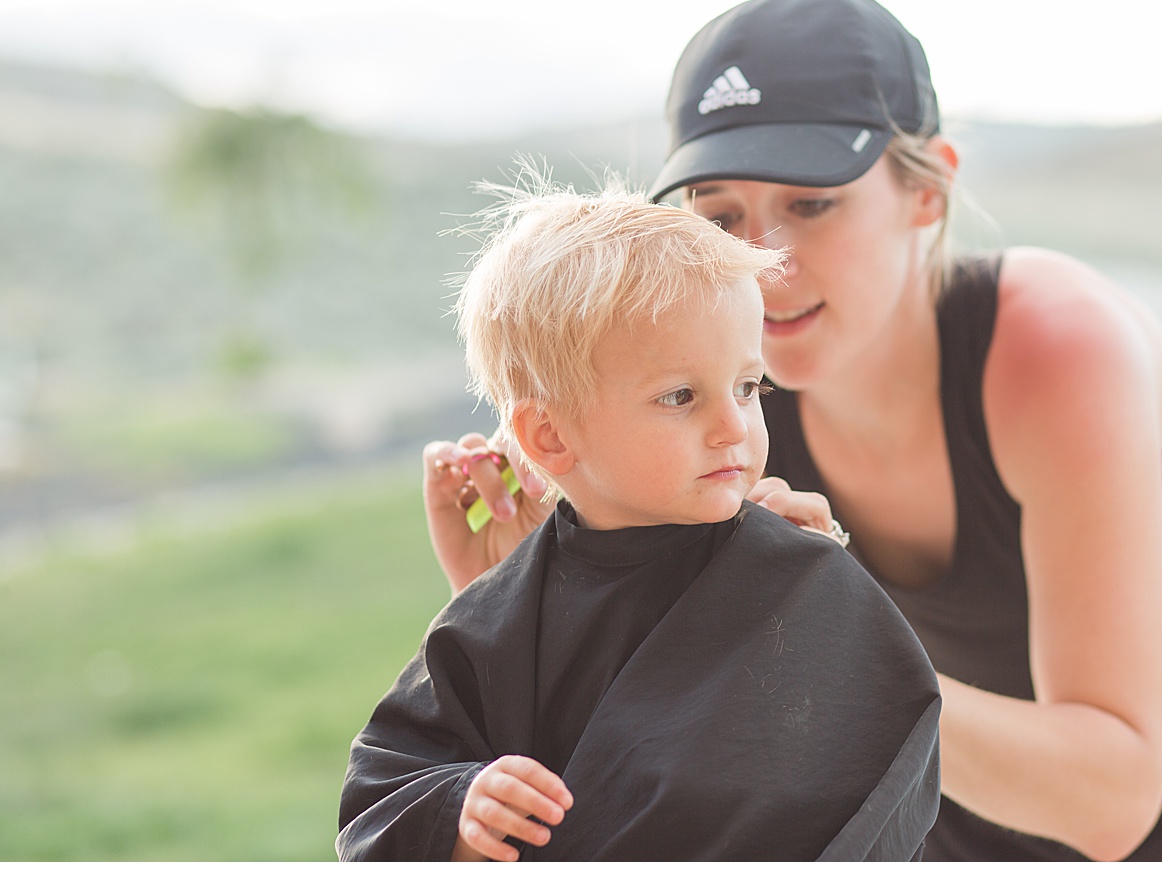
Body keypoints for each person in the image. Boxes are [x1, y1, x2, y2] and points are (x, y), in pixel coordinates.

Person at [426, 0, 1162, 860]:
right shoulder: (731, 401)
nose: (769, 260)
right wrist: (538, 616)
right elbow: (663, 717)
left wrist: (818, 631)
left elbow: (1113, 796)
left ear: (929, 190)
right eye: (721, 214)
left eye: (812, 203)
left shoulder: (1054, 347)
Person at [339, 173, 943, 861]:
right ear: (550, 438)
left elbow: (882, 751)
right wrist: (462, 809)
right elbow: (386, 787)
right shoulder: (498, 615)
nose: (732, 427)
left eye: (748, 386)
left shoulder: (800, 572)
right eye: (680, 396)